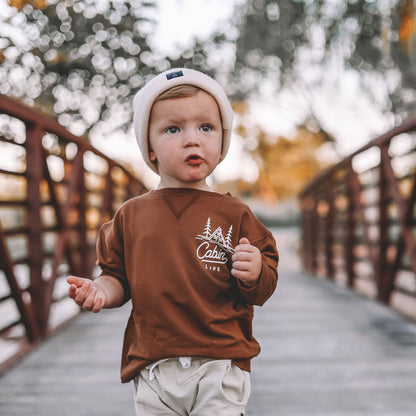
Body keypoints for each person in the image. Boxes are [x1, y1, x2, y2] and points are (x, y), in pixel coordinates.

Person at [67, 67, 278, 416]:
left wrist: (255, 272)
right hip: (153, 364)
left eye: (206, 127)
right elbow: (116, 276)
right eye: (173, 129)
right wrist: (102, 291)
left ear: (221, 143)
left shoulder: (236, 215)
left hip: (221, 360)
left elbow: (263, 288)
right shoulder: (130, 216)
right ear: (150, 149)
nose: (191, 139)